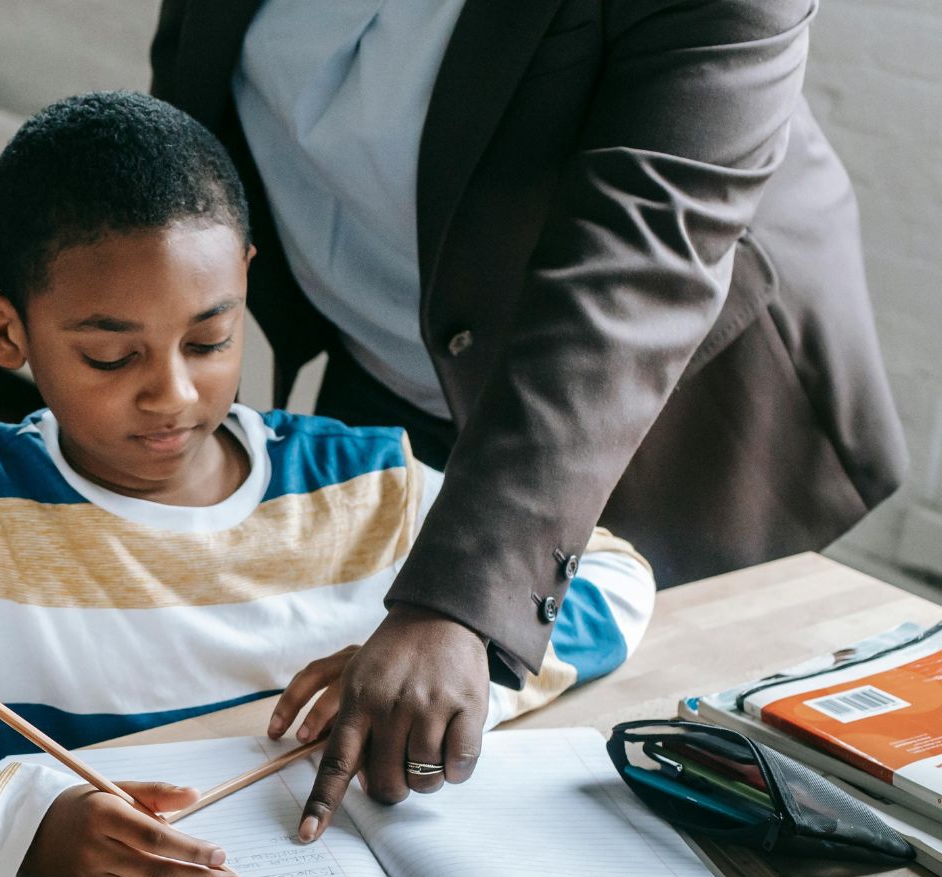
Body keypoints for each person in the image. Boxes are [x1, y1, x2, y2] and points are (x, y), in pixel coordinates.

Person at [0, 92, 654, 877]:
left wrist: (452, 672)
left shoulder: (362, 481)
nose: (173, 393)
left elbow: (614, 576)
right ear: (4, 326)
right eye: (111, 357)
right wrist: (20, 820)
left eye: (210, 339)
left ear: (246, 281)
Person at [149, 0, 906, 829]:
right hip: (385, 358)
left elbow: (637, 270)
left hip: (668, 419)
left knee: (654, 793)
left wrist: (460, 605)